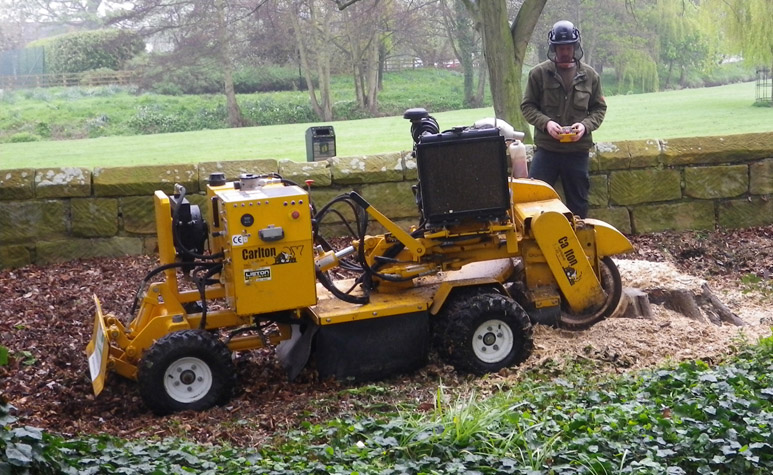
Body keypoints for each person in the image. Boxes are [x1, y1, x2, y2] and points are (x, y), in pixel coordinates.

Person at [520, 20, 606, 218]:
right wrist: (546, 123)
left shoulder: (590, 75)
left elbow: (599, 109)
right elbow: (527, 106)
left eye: (569, 47)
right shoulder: (539, 74)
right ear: (554, 48)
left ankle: (578, 241)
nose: (565, 52)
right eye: (561, 48)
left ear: (575, 47)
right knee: (535, 199)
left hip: (577, 151)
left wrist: (584, 127)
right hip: (547, 149)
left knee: (579, 203)